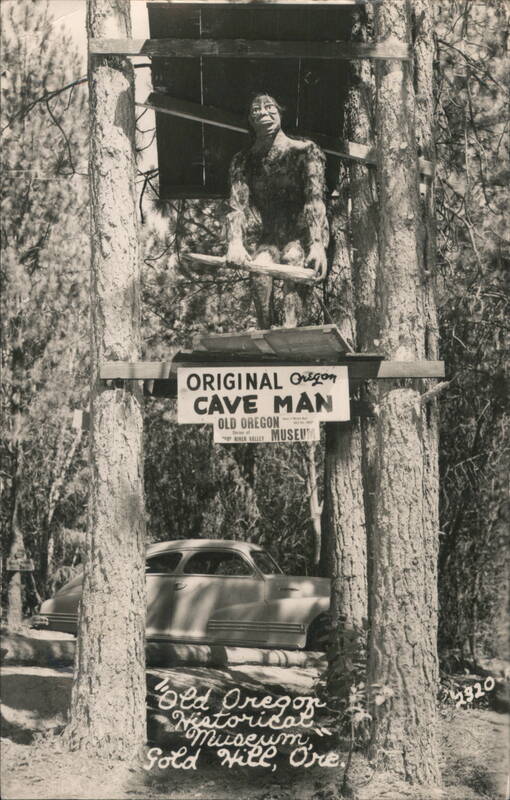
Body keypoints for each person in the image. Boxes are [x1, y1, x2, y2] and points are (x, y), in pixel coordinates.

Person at [226, 93, 329, 328]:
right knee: (260, 268)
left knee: (293, 259)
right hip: (270, 236)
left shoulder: (304, 150)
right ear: (250, 119)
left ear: (280, 112)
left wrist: (317, 243)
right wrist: (235, 241)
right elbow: (237, 205)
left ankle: (291, 330)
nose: (263, 112)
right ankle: (265, 330)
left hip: (303, 235)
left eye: (269, 106)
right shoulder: (243, 161)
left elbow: (314, 199)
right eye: (256, 109)